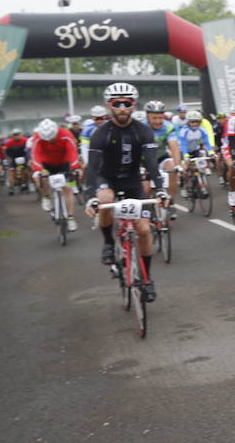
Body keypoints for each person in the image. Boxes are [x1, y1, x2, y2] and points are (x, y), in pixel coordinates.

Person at [84, 83, 169, 303]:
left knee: (143, 229)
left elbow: (151, 165)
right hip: (107, 179)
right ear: (109, 106)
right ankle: (109, 244)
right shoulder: (101, 133)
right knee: (105, 199)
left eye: (127, 104)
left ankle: (147, 279)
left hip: (133, 181)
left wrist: (160, 190)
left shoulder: (143, 131)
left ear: (133, 105)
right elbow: (92, 169)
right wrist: (90, 197)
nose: (122, 108)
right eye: (117, 104)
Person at [32, 118, 79, 231]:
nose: (49, 141)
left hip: (64, 163)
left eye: (52, 139)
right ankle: (46, 196)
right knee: (40, 178)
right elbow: (35, 154)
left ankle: (71, 218)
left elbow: (72, 152)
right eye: (46, 140)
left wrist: (74, 168)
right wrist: (38, 170)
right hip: (46, 163)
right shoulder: (37, 137)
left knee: (67, 188)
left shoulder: (66, 134)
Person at [144, 100, 181, 219]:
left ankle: (170, 202)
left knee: (172, 169)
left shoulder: (169, 127)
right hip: (143, 160)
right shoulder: (140, 127)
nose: (158, 121)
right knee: (146, 189)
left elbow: (174, 146)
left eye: (160, 117)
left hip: (160, 156)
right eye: (154, 118)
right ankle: (147, 207)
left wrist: (177, 164)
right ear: (147, 116)